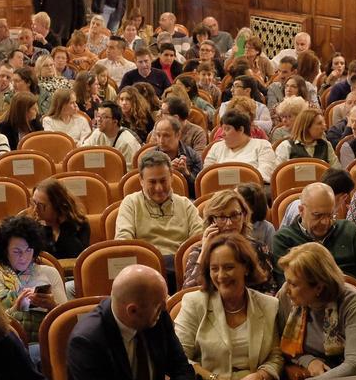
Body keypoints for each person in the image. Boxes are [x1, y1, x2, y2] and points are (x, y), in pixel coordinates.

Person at [61, 264, 196, 380]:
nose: (165, 308)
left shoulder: (156, 315)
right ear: (132, 310)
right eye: (159, 305)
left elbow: (181, 369)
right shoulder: (87, 341)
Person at [174, 234, 284, 380]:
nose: (221, 276)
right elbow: (180, 359)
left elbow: (276, 357)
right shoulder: (194, 303)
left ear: (245, 267)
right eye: (214, 269)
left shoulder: (269, 305)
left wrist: (259, 376)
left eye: (228, 267)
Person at [276, 242, 356, 379]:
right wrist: (308, 361)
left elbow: (355, 364)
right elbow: (284, 345)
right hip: (326, 372)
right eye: (287, 281)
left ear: (319, 288)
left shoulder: (351, 301)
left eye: (293, 284)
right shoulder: (286, 295)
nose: (287, 289)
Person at [273, 182, 356, 311]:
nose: (325, 222)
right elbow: (286, 285)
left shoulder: (348, 229)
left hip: (352, 302)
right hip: (308, 307)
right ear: (301, 210)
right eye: (318, 215)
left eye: (330, 215)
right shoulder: (284, 239)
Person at [115, 151, 203, 283]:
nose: (159, 188)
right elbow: (124, 242)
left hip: (181, 268)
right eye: (152, 182)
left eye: (163, 180)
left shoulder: (185, 204)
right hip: (144, 270)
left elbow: (199, 240)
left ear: (171, 177)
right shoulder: (131, 203)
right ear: (141, 181)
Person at [0, 216, 66, 343]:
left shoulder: (49, 273)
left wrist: (52, 306)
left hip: (46, 341)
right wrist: (15, 309)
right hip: (9, 343)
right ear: (4, 251)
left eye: (28, 250)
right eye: (17, 252)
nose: (24, 257)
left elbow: (66, 319)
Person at [180, 188, 275, 293]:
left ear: (244, 215)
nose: (229, 223)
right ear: (212, 221)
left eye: (234, 215)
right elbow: (188, 293)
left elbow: (270, 290)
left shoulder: (259, 249)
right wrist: (204, 251)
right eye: (221, 217)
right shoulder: (198, 251)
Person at [202, 110, 277, 183]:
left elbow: (264, 175)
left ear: (241, 129)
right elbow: (206, 176)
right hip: (218, 192)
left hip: (250, 192)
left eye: (227, 129)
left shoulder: (262, 145)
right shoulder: (216, 147)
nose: (222, 134)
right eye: (222, 129)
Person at [29, 178, 91, 259]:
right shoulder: (31, 226)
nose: (35, 209)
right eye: (34, 203)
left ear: (57, 205)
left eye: (41, 206)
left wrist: (64, 227)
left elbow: (78, 257)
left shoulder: (80, 225)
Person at [81, 101, 142, 165]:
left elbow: (130, 172)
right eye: (98, 116)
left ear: (115, 122)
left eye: (104, 117)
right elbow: (83, 153)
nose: (99, 119)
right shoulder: (97, 133)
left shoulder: (127, 143)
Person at [274, 107, 338, 167]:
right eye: (319, 123)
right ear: (306, 127)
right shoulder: (286, 146)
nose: (324, 127)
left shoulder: (327, 145)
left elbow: (338, 173)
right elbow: (278, 175)